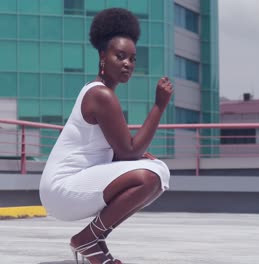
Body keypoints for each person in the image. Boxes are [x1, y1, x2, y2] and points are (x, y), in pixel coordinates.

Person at [39, 7, 173, 264]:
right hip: (62, 189)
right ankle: (86, 239)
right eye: (120, 56)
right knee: (152, 175)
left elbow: (117, 152)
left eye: (133, 59)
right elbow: (129, 152)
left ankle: (95, 242)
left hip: (70, 187)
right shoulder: (101, 95)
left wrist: (134, 156)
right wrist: (159, 105)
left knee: (156, 171)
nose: (127, 64)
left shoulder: (101, 93)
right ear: (102, 56)